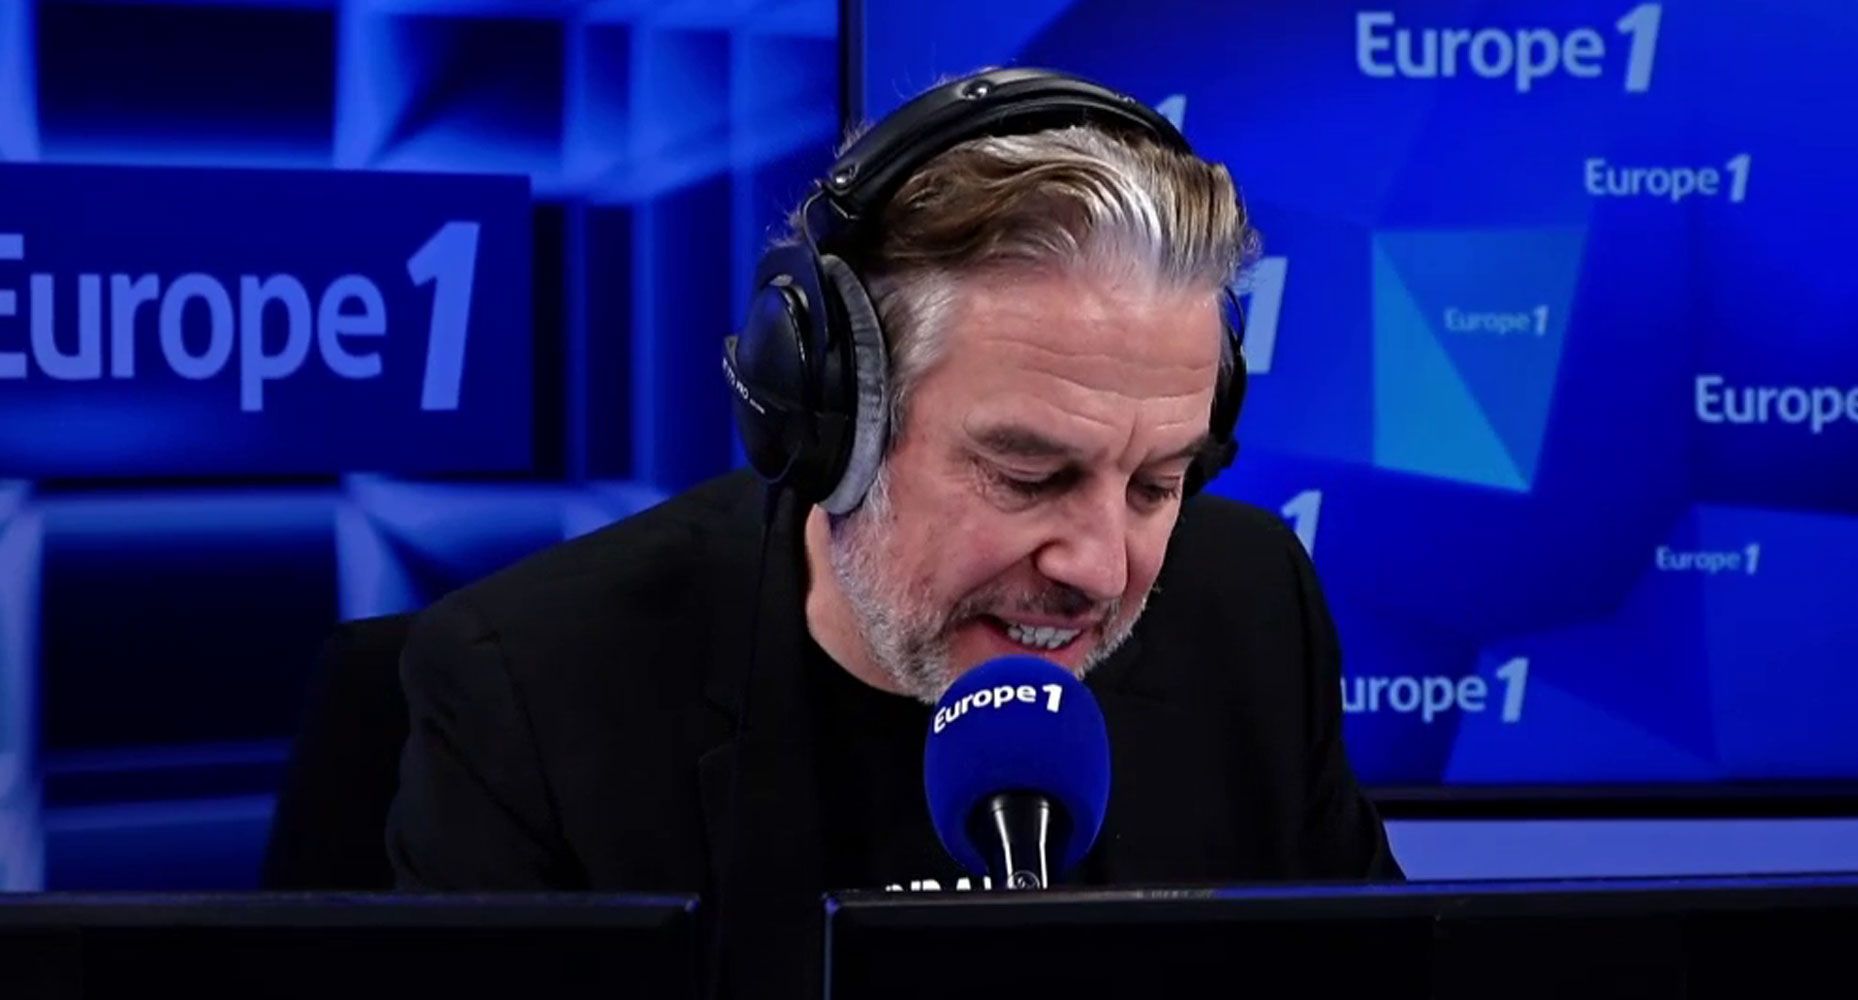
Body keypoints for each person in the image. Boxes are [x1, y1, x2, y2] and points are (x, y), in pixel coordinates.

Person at [385, 68, 1400, 998]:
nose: (1098, 567)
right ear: (835, 427)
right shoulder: (537, 695)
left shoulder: (1251, 612)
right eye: (1028, 476)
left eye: (1155, 484)